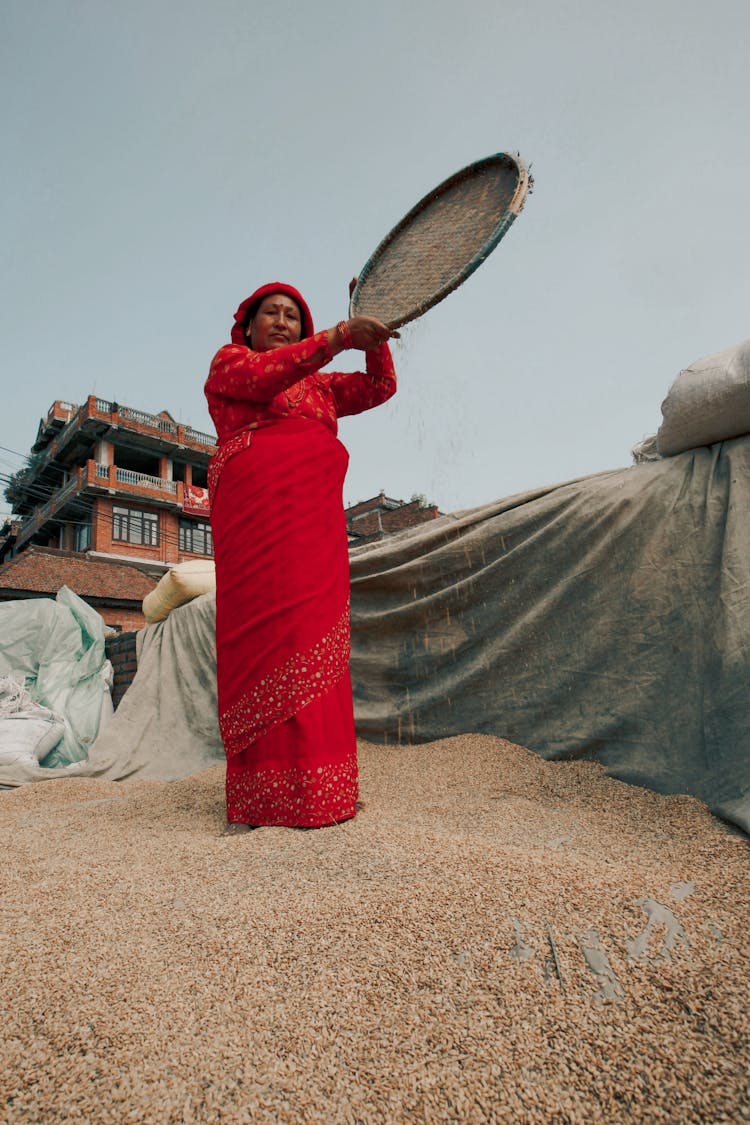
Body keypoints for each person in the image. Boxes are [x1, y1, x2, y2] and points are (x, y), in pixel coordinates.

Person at [204, 282, 398, 832]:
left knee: (316, 637)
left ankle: (324, 789)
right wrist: (339, 336)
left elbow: (382, 385)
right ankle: (266, 798)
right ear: (249, 326)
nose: (283, 322)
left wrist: (370, 332)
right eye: (273, 314)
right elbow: (267, 377)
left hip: (313, 525)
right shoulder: (231, 363)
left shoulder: (322, 386)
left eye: (293, 315)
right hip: (256, 520)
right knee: (266, 639)